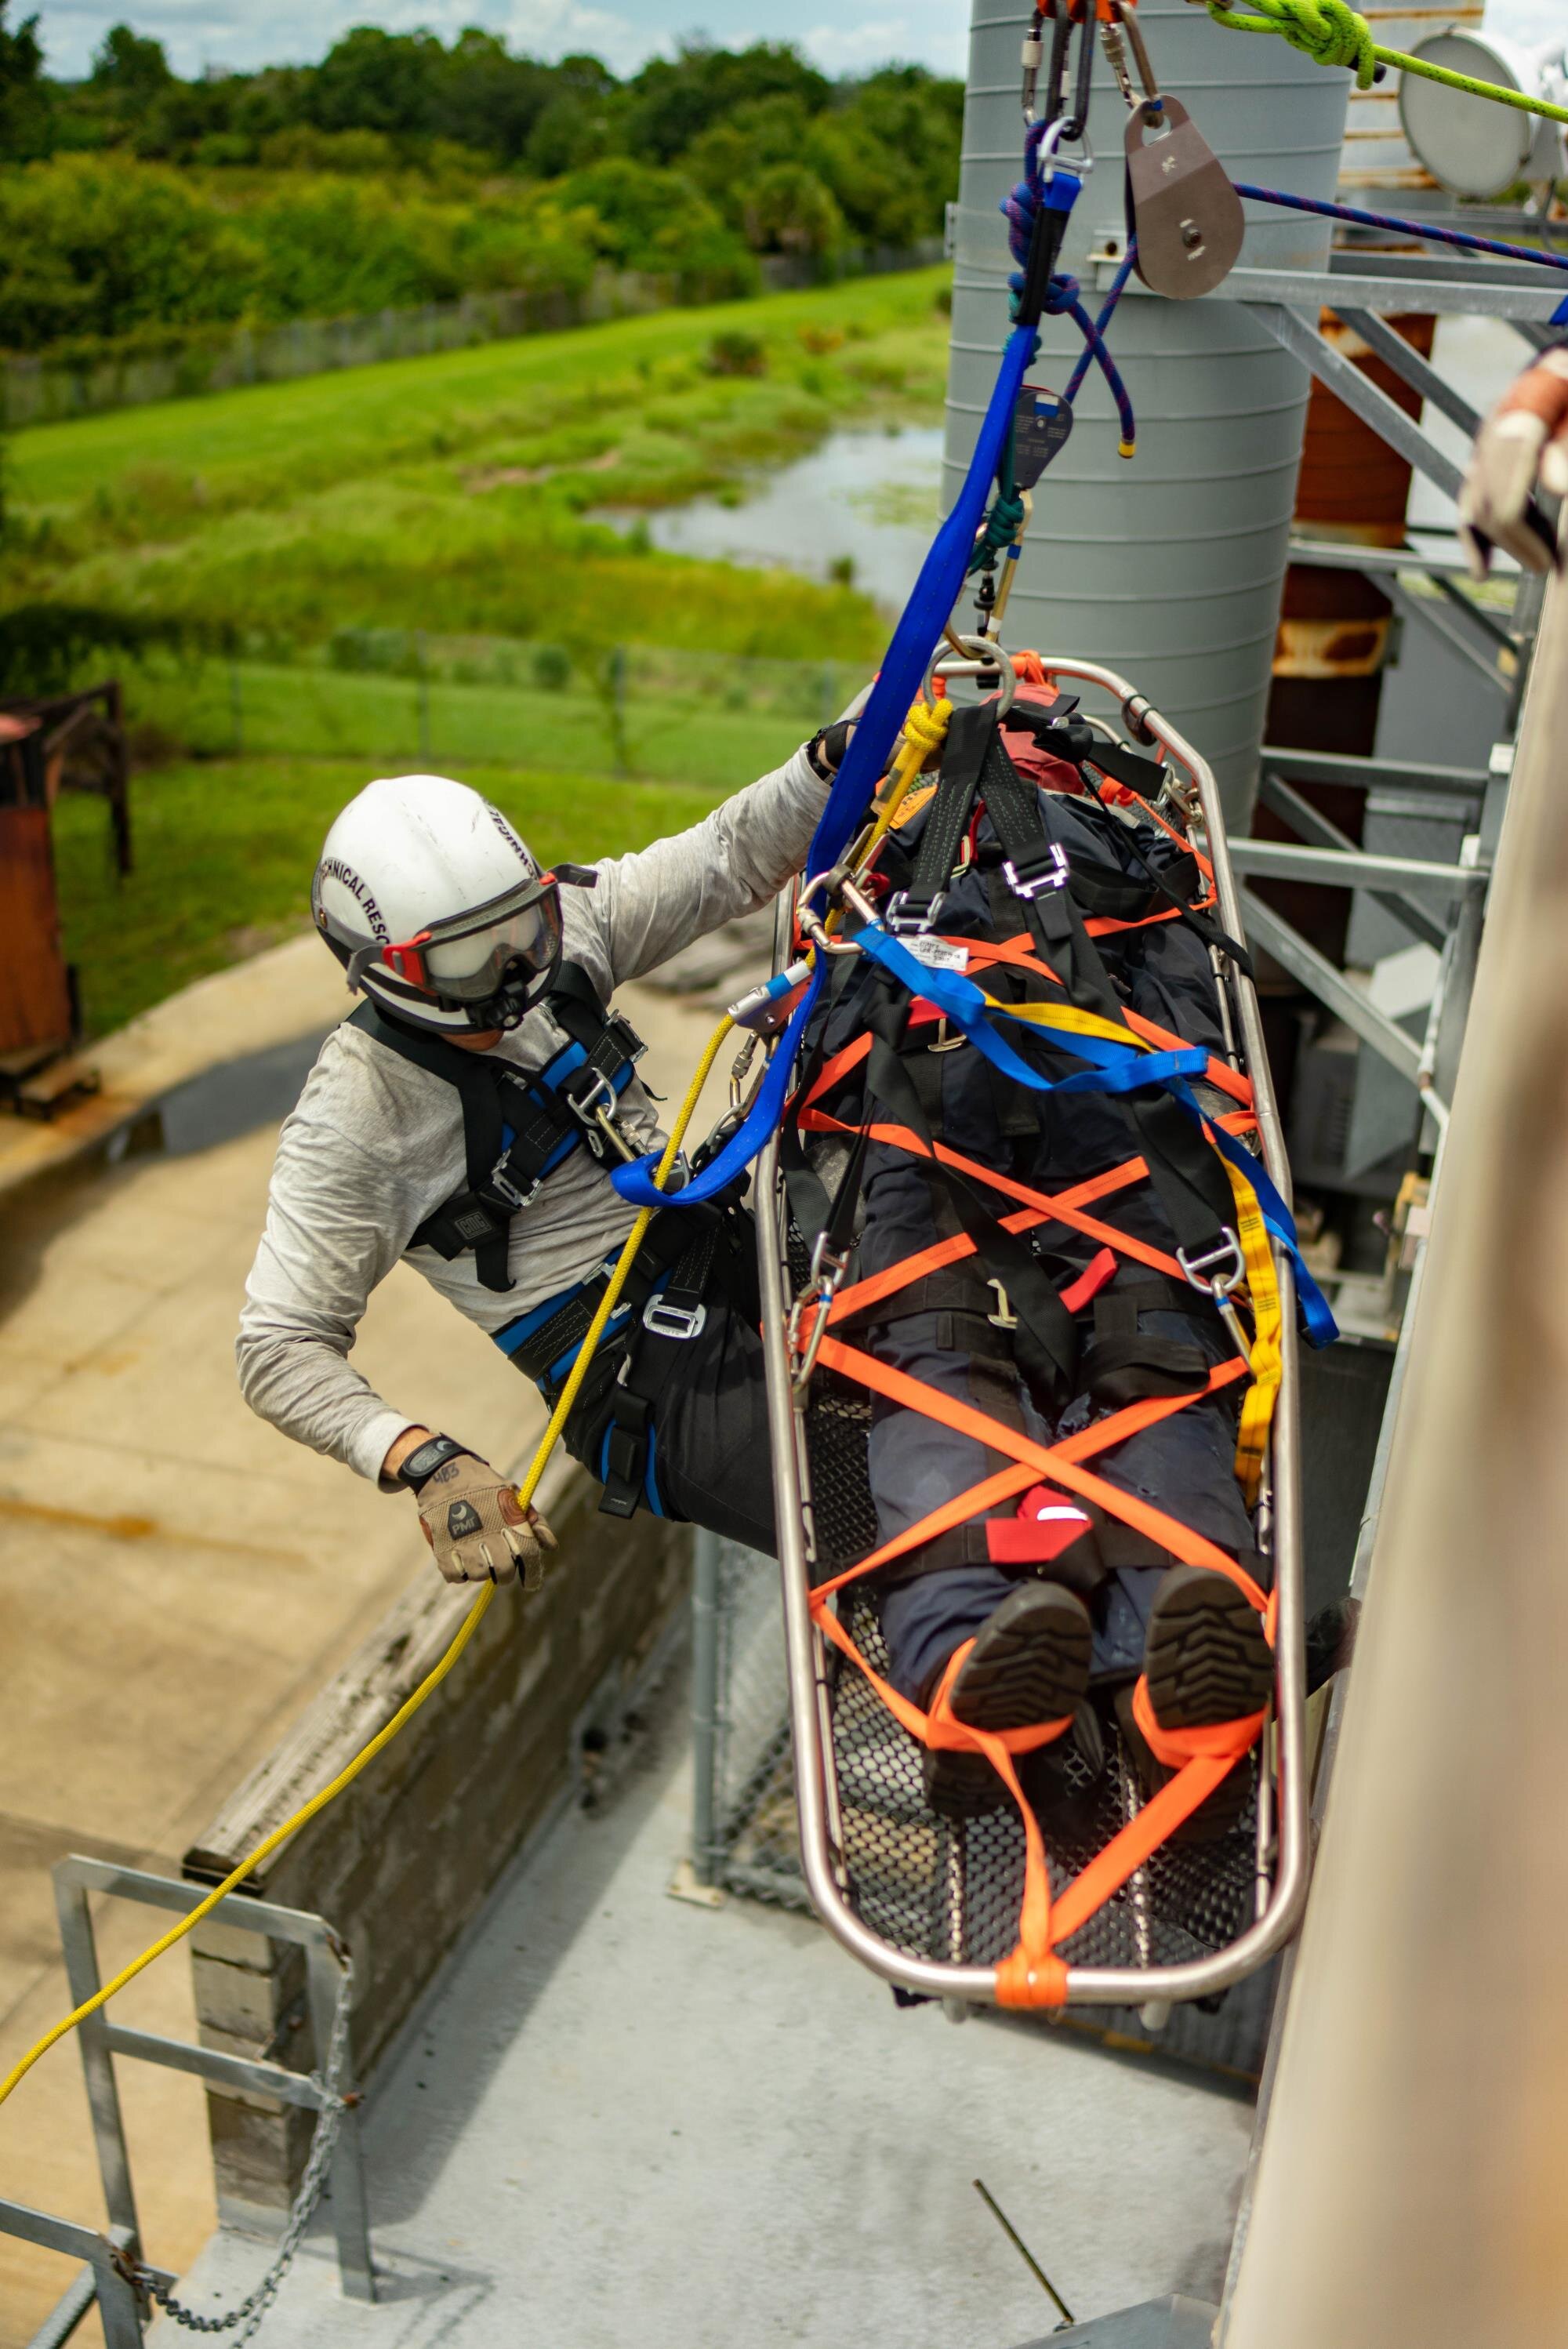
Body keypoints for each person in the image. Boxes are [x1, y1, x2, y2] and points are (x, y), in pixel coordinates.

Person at [239, 701, 1286, 1837]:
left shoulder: (562, 941)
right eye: (467, 960)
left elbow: (728, 858)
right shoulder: (359, 1119)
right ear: (385, 972)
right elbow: (276, 1343)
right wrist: (417, 1457)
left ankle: (1156, 1641)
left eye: (524, 932)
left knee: (974, 1364)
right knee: (906, 1531)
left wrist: (836, 760)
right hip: (639, 1365)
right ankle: (1068, 1768)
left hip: (732, 1233)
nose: (515, 975)